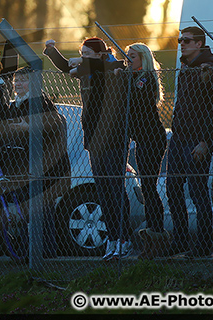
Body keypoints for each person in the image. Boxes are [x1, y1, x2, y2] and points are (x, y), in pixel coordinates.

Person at [44, 37, 130, 260]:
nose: (82, 58)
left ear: (100, 54)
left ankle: (123, 238)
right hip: (93, 139)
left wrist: (84, 63)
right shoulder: (86, 69)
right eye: (81, 54)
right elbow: (65, 67)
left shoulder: (111, 67)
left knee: (115, 188)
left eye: (87, 54)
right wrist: (52, 51)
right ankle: (113, 238)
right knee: (103, 189)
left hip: (112, 138)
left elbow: (115, 65)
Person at [0, 65, 70, 258]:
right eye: (16, 80)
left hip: (45, 165)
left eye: (23, 80)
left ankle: (47, 250)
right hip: (24, 166)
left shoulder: (40, 102)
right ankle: (30, 250)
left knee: (43, 208)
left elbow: (57, 124)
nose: (18, 84)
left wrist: (30, 126)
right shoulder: (14, 105)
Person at [166, 26, 213, 258]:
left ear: (199, 43)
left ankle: (202, 247)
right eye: (180, 40)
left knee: (198, 193)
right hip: (178, 138)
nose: (182, 43)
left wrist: (205, 142)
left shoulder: (207, 67)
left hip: (197, 140)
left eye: (187, 40)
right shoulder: (186, 67)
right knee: (173, 189)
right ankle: (180, 241)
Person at [115, 43, 169, 259]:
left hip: (152, 138)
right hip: (141, 139)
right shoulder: (133, 77)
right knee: (147, 188)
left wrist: (123, 78)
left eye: (133, 56)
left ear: (143, 58)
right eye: (127, 56)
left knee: (149, 186)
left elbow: (135, 101)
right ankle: (153, 234)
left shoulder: (145, 78)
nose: (129, 60)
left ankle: (157, 234)